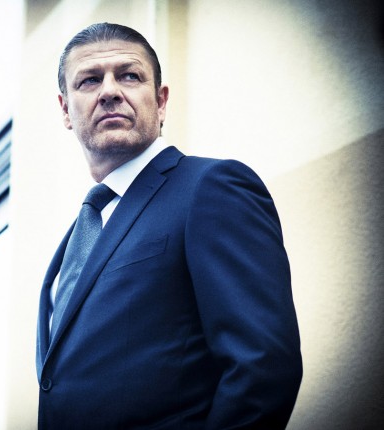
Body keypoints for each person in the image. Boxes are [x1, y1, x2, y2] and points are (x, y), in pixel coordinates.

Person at [35, 22, 302, 429]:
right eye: (89, 80)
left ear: (160, 102)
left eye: (129, 75)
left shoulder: (211, 188)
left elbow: (263, 367)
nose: (109, 91)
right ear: (65, 110)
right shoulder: (79, 233)